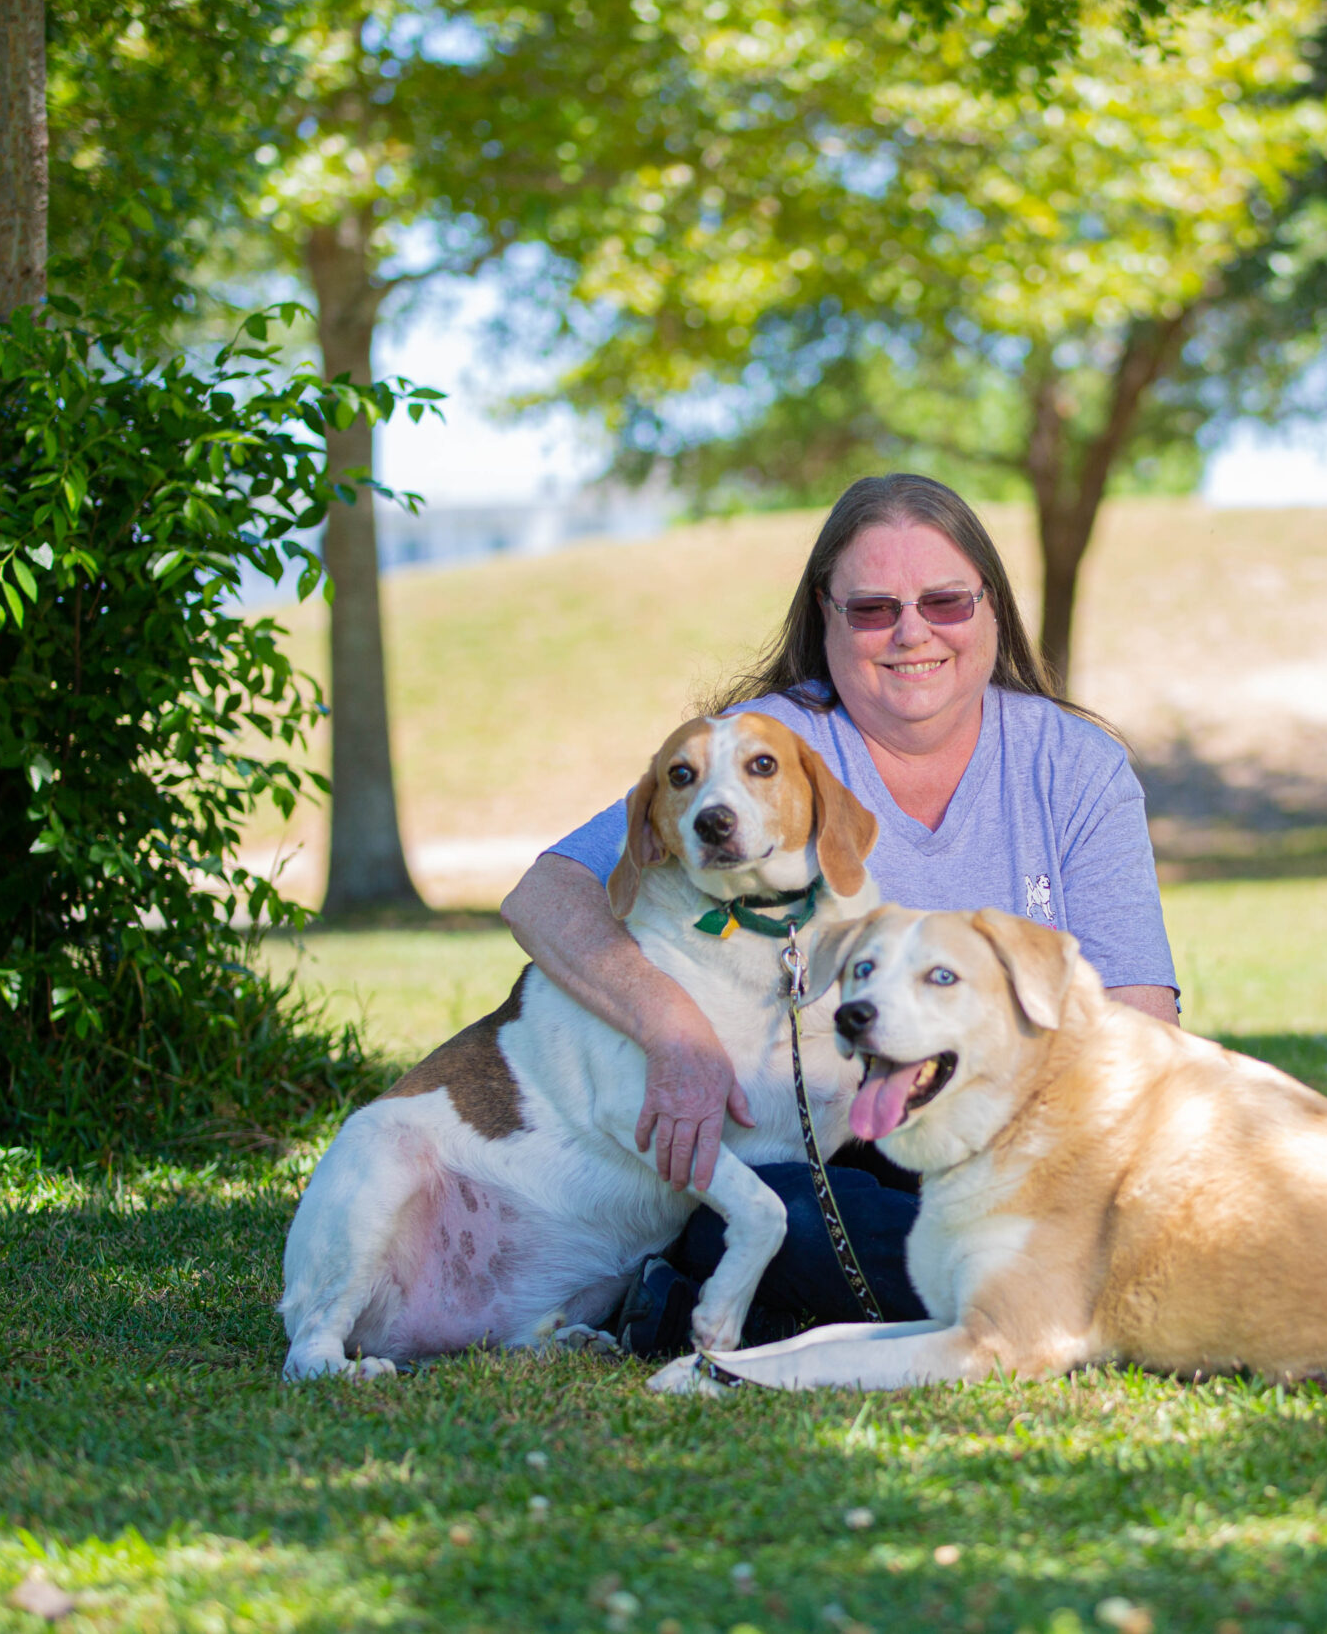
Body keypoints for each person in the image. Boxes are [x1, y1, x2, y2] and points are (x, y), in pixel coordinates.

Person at [499, 471, 1179, 1352]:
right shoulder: (763, 751)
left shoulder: (1076, 764)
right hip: (831, 1141)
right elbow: (545, 893)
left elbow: (1141, 1018)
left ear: (992, 610)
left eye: (945, 600)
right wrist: (676, 1034)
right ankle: (1062, 1289)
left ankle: (1027, 1273)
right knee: (771, 1210)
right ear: (824, 616)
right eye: (872, 608)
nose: (912, 632)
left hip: (1024, 1127)